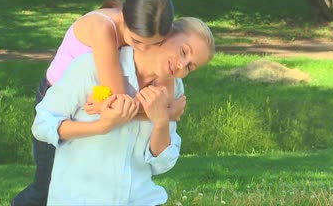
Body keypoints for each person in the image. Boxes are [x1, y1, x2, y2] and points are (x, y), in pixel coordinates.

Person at [12, 0, 181, 206]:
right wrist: (164, 114)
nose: (142, 50)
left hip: (93, 96)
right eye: (136, 42)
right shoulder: (104, 29)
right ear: (124, 17)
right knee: (46, 186)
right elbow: (119, 104)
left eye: (153, 45)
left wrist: (162, 111)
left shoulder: (144, 27)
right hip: (60, 100)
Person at [32, 17, 215, 205]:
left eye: (190, 67)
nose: (181, 66)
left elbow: (162, 164)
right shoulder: (91, 67)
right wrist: (101, 126)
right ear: (166, 34)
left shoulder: (173, 92)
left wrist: (161, 121)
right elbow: (42, 124)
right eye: (184, 52)